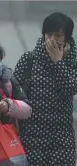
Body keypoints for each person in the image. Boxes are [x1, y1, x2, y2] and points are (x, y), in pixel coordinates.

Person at [13, 12, 77, 165]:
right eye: (49, 34)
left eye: (58, 35)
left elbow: (70, 88)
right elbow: (14, 92)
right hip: (30, 138)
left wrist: (57, 62)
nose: (52, 39)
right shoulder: (29, 59)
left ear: (67, 37)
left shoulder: (73, 61)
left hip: (62, 139)